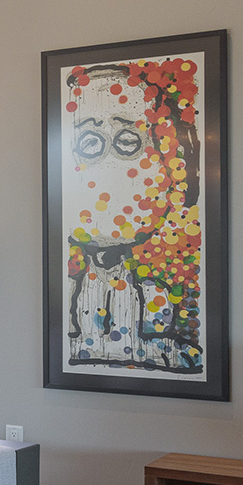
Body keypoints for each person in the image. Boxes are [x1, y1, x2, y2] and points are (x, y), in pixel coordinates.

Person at [62, 58, 202, 372]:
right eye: (89, 143)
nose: (108, 168)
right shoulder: (63, 299)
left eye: (127, 142)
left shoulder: (157, 300)